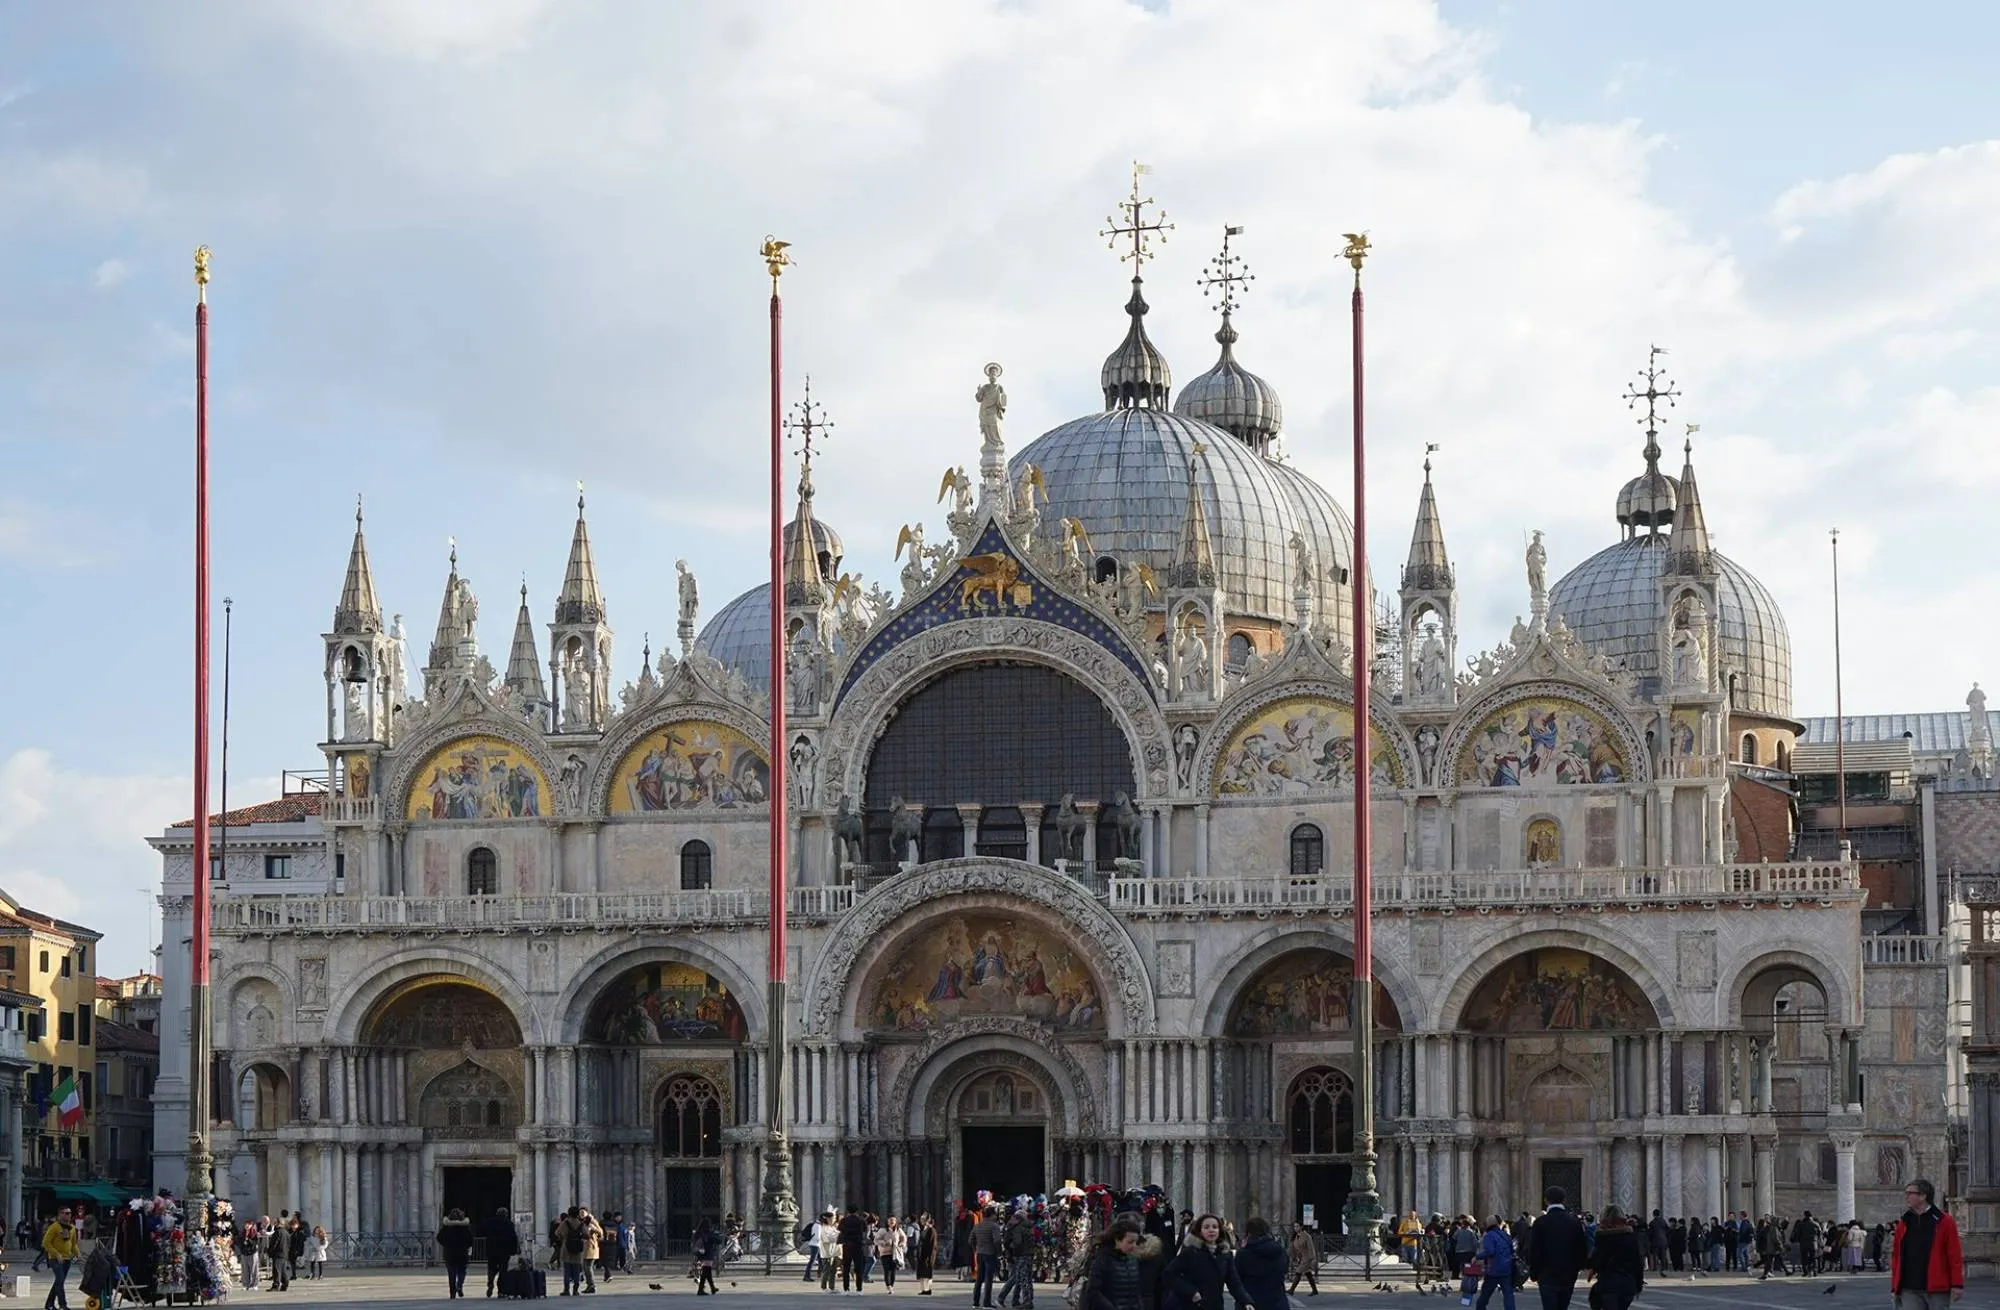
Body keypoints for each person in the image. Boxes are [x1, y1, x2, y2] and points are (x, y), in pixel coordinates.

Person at [1891, 1178, 1964, 1308]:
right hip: (1909, 1287)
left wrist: (1957, 1284)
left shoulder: (1944, 1221)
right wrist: (1895, 1285)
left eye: (1910, 1193)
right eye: (1906, 1193)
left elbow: (1954, 1255)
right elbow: (1896, 1255)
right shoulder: (1904, 1222)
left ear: (1923, 1196)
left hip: (1937, 1287)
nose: (1906, 1197)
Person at [1163, 1214, 1245, 1310]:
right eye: (1206, 1227)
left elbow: (1234, 1282)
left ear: (1220, 1230)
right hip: (1191, 1305)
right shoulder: (1191, 1252)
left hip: (1215, 1305)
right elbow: (1169, 1274)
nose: (1211, 1230)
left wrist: (1246, 1301)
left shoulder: (1225, 1254)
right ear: (1200, 1231)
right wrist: (1191, 1291)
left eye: (1215, 1227)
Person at [1524, 1187, 1587, 1310]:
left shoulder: (1540, 1222)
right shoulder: (1574, 1222)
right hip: (1568, 1274)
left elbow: (1534, 1249)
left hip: (1546, 1274)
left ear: (1546, 1200)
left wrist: (1534, 1272)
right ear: (1564, 1200)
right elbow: (1581, 1248)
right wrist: (1579, 1267)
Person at [1583, 1206, 1643, 1310]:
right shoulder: (1631, 1237)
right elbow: (1638, 1263)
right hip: (1628, 1284)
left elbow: (1597, 1260)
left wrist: (1588, 1265)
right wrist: (1638, 1284)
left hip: (1609, 1284)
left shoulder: (1603, 1237)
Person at [1086, 1220, 1148, 1310]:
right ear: (1117, 1240)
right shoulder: (1103, 1259)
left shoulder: (1133, 1260)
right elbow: (1093, 1291)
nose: (1134, 1246)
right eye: (1130, 1242)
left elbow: (1136, 1293)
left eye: (1136, 1242)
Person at [1232, 1216, 1287, 1310]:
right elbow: (1284, 1270)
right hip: (1277, 1302)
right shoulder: (1280, 1251)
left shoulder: (1244, 1254)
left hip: (1251, 1302)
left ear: (1248, 1233)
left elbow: (1236, 1278)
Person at [1472, 1216, 1515, 1310]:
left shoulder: (1489, 1236)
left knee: (1485, 1294)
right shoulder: (1505, 1235)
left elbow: (1490, 1251)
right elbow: (1512, 1250)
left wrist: (1477, 1257)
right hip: (1507, 1267)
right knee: (1508, 1294)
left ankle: (1480, 1308)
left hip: (1494, 1269)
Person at [41, 1206, 79, 1310]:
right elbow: (46, 1243)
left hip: (67, 1259)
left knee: (59, 1282)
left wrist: (78, 1254)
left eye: (69, 1213)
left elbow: (74, 1244)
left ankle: (49, 1304)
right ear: (59, 1215)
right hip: (55, 1259)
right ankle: (63, 1305)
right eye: (65, 1213)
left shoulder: (72, 1228)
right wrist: (56, 1254)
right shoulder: (54, 1227)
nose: (68, 1215)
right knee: (60, 1280)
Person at [437, 1207, 476, 1299]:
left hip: (449, 1253)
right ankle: (459, 1285)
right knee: (462, 1271)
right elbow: (470, 1240)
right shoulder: (465, 1228)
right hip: (462, 1253)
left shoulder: (446, 1228)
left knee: (451, 1274)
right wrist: (466, 1246)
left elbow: (439, 1238)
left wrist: (446, 1244)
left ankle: (452, 1293)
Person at [481, 1206, 518, 1297]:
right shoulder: (509, 1223)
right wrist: (514, 1250)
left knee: (491, 1269)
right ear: (506, 1214)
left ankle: (490, 1284)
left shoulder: (489, 1222)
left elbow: (482, 1231)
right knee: (503, 1271)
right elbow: (513, 1237)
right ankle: (501, 1290)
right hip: (504, 1251)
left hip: (492, 1250)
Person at [969, 1206, 1002, 1308]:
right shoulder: (994, 1226)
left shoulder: (977, 1226)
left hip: (980, 1253)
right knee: (988, 1279)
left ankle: (975, 1302)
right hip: (990, 1254)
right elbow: (997, 1240)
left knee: (979, 1278)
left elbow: (970, 1240)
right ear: (992, 1215)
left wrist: (975, 1248)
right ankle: (986, 1303)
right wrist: (999, 1252)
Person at [999, 1212, 1033, 1307]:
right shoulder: (1028, 1227)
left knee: (1021, 1279)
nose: (1010, 1220)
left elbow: (1017, 1242)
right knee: (1027, 1279)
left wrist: (1012, 1249)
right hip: (1029, 1254)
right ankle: (1026, 1300)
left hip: (1021, 1255)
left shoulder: (1017, 1229)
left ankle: (1026, 1301)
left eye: (1012, 1219)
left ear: (1017, 1220)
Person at [556, 1208, 588, 1297]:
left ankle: (566, 1289)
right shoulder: (580, 1224)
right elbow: (587, 1235)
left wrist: (563, 1238)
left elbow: (557, 1233)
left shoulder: (565, 1223)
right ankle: (575, 1290)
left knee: (567, 1270)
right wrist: (580, 1237)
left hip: (566, 1248)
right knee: (576, 1270)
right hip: (577, 1249)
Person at [1284, 1223, 1318, 1296]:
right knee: (1308, 1274)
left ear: (1301, 1227)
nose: (1296, 1228)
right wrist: (1291, 1256)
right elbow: (1292, 1248)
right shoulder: (1295, 1236)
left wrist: (1312, 1258)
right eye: (1294, 1226)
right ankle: (1315, 1290)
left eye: (1297, 1226)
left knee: (1298, 1272)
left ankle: (1292, 1290)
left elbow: (1311, 1248)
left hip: (1307, 1257)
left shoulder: (1306, 1236)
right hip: (1301, 1258)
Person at [914, 1212, 939, 1296]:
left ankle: (927, 1288)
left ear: (927, 1220)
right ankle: (923, 1289)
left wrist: (930, 1256)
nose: (921, 1221)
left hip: (928, 1255)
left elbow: (932, 1244)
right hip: (921, 1254)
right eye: (921, 1219)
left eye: (923, 1219)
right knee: (921, 1272)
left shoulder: (931, 1230)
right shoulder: (923, 1229)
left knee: (927, 1272)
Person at [694, 1220, 722, 1295]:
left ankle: (712, 1288)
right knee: (705, 1273)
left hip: (701, 1255)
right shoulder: (710, 1233)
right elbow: (719, 1241)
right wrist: (716, 1234)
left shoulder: (700, 1233)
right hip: (708, 1255)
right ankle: (701, 1290)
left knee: (707, 1273)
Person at [267, 1216, 293, 1291]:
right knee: (283, 1270)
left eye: (275, 1222)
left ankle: (276, 1285)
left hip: (277, 1254)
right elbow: (289, 1243)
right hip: (284, 1254)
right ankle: (285, 1284)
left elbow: (274, 1243)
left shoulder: (278, 1232)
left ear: (278, 1223)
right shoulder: (286, 1232)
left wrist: (270, 1251)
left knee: (276, 1270)